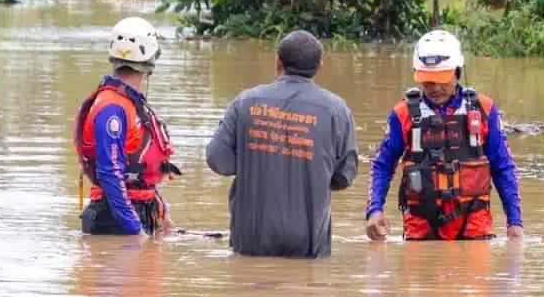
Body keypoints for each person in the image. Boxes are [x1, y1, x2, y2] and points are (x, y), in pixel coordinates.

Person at [205, 30, 358, 258]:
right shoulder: (337, 110)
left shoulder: (245, 102)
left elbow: (218, 161)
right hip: (308, 239)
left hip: (251, 236)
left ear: (278, 61)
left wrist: (256, 158)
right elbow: (345, 175)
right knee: (304, 290)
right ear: (319, 66)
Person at [365, 29, 523, 242]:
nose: (435, 88)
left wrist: (515, 222)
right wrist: (374, 210)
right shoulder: (402, 114)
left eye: (442, 80)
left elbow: (503, 166)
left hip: (474, 227)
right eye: (428, 81)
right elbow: (382, 165)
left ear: (457, 72)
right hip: (421, 229)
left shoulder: (484, 110)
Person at [73, 17, 181, 235]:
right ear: (150, 63)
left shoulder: (130, 103)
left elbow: (139, 169)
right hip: (115, 221)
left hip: (137, 212)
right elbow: (110, 173)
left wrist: (161, 209)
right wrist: (136, 231)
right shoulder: (112, 109)